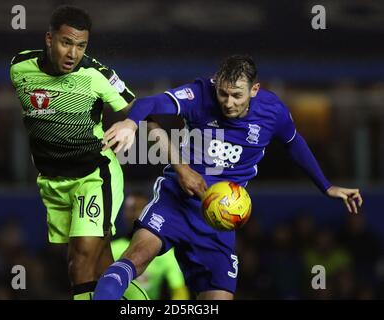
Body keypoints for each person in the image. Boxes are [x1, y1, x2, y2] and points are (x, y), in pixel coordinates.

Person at [93, 54, 363, 300]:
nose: (228, 102)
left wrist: (325, 186)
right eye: (223, 93)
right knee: (135, 258)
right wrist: (130, 124)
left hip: (219, 217)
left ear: (254, 90)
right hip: (176, 199)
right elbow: (149, 103)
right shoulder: (200, 94)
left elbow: (294, 144)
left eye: (236, 95)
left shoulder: (273, 112)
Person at [9, 5, 148, 300]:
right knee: (101, 267)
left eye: (81, 45)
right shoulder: (19, 68)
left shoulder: (96, 75)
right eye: (66, 43)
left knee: (80, 261)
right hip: (53, 182)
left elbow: (138, 106)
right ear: (49, 39)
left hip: (94, 175)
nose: (73, 53)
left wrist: (131, 125)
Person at [112, 192, 190, 300]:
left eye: (138, 209)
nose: (134, 214)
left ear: (149, 213)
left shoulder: (165, 254)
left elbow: (179, 291)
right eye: (130, 209)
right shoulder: (112, 248)